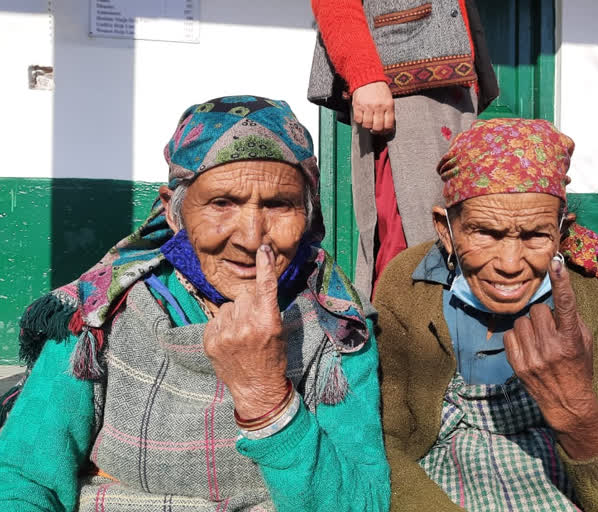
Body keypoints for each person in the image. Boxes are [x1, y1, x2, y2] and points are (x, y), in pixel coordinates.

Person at [0, 96, 390, 511]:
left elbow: (358, 503)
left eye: (279, 205)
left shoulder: (340, 328)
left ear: (308, 215)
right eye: (222, 203)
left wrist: (265, 398)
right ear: (173, 212)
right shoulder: (103, 313)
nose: (251, 236)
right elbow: (23, 479)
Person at [374, 118, 598, 511]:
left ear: (561, 232)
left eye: (535, 236)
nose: (509, 264)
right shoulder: (409, 281)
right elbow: (387, 446)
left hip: (565, 474)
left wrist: (577, 414)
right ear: (445, 229)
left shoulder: (594, 297)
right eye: (485, 233)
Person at [309, 0, 499, 297]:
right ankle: (401, 338)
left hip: (453, 82)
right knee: (411, 238)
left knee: (457, 228)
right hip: (398, 85)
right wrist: (364, 75)